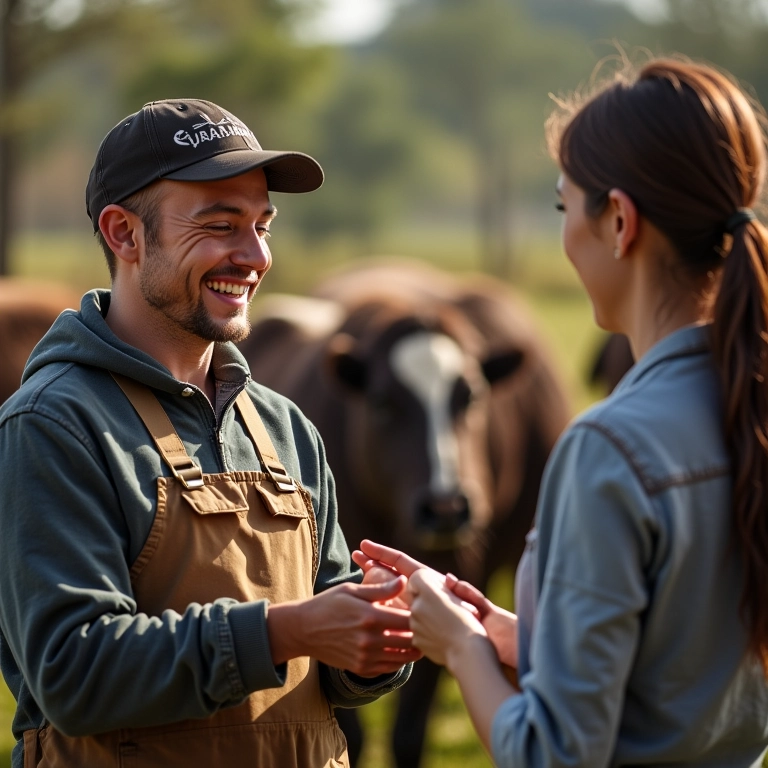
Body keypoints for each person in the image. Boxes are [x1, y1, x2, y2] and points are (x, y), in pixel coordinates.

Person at [355, 56, 768, 766]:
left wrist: (458, 647)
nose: (563, 233)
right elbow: (682, 668)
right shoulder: (747, 407)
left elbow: (555, 754)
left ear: (618, 222)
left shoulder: (612, 448)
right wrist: (522, 638)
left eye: (562, 206)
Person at [0, 98, 419, 768]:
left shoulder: (284, 426)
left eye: (262, 226)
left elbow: (334, 667)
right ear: (124, 234)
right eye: (221, 226)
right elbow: (72, 673)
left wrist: (385, 630)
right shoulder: (53, 423)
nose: (253, 256)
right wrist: (285, 630)